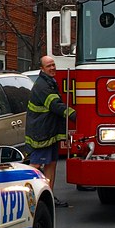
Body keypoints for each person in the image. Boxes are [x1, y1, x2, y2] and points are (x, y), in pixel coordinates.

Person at [25, 56, 75, 207]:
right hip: (42, 133)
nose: (52, 68)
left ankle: (49, 197)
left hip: (49, 131)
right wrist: (74, 115)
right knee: (35, 165)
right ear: (42, 69)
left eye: (53, 65)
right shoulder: (42, 86)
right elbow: (55, 105)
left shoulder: (49, 82)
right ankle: (27, 197)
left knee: (51, 164)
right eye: (48, 66)